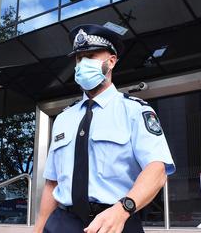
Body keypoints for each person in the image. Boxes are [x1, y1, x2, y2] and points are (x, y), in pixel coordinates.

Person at [33, 24, 175, 233]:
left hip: (115, 220)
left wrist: (122, 209)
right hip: (62, 223)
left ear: (111, 61)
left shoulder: (135, 111)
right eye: (79, 58)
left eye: (91, 55)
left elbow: (157, 169)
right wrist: (38, 228)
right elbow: (52, 183)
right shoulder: (63, 119)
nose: (83, 64)